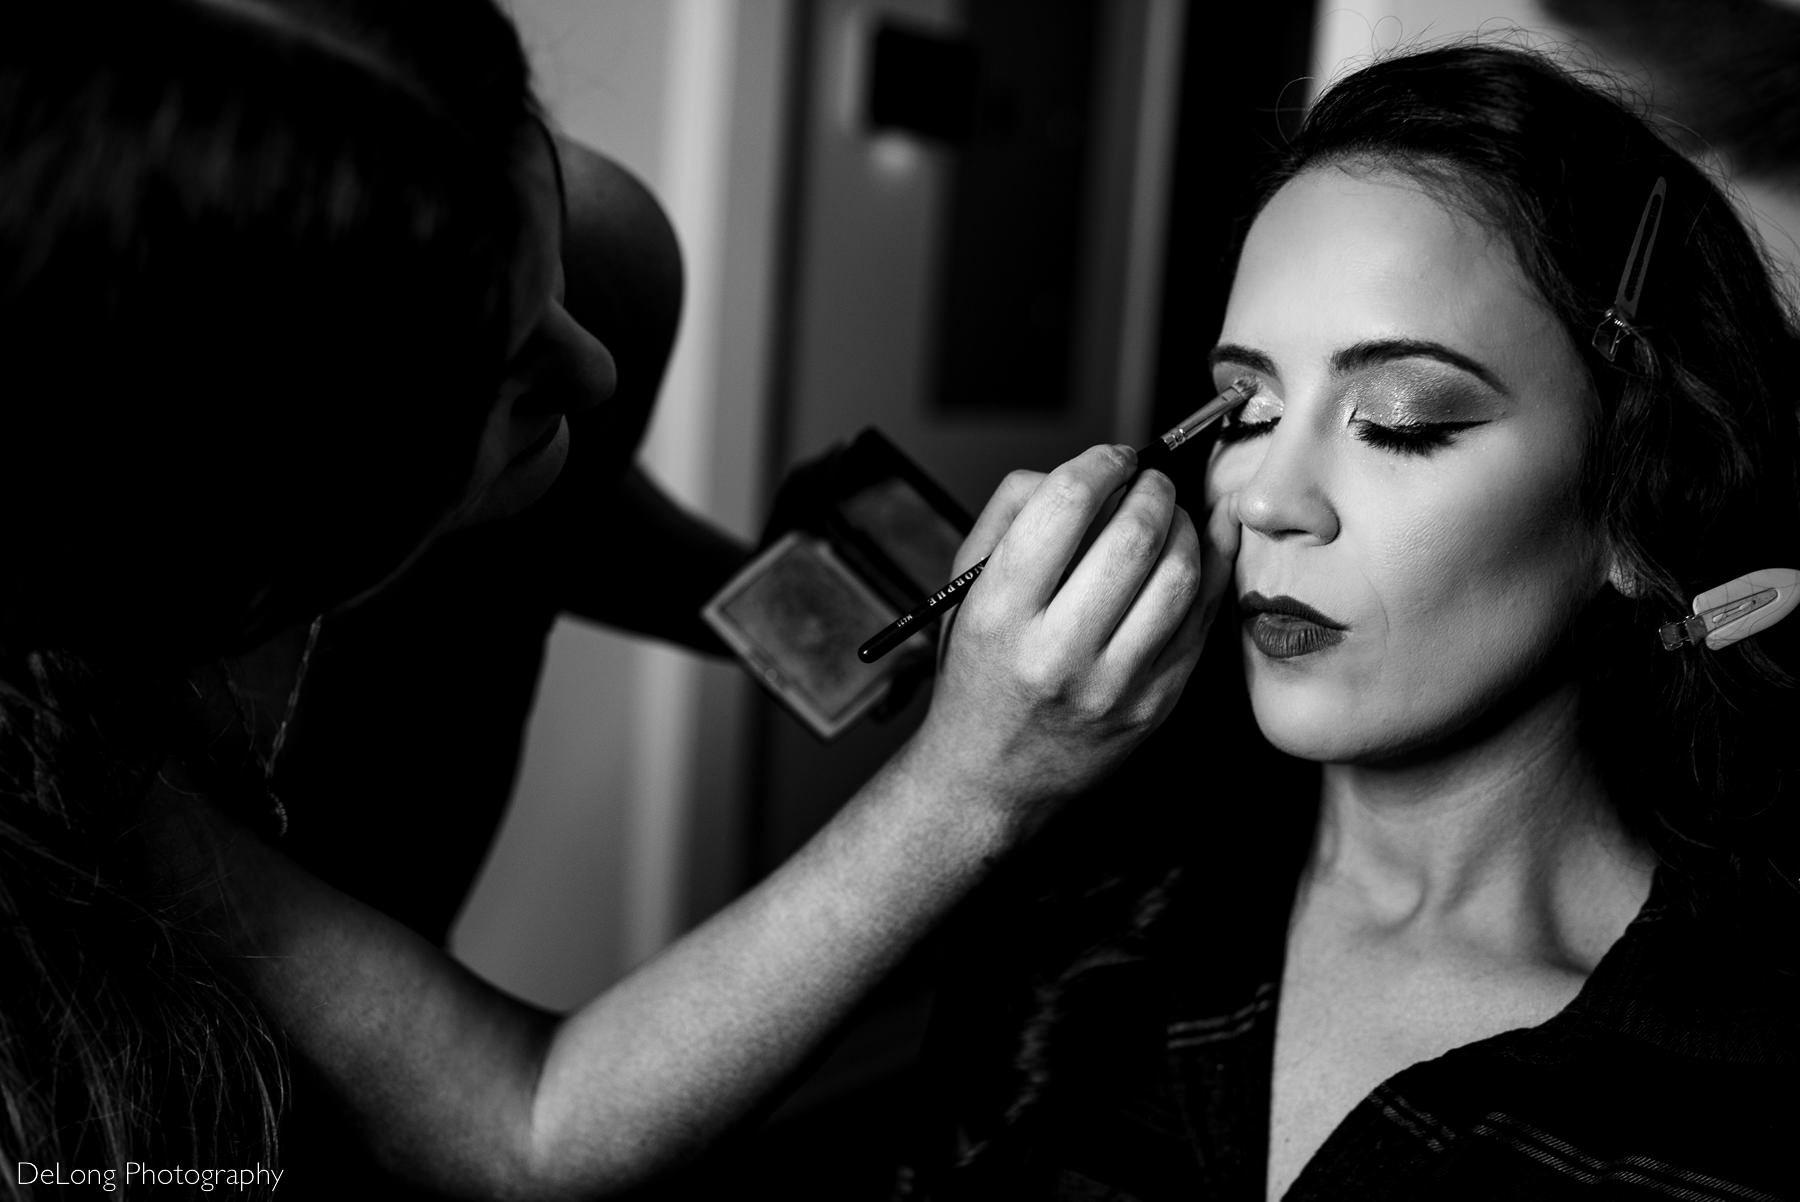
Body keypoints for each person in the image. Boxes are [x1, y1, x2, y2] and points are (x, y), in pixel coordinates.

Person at [0, 1, 1235, 1197]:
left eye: (558, 293)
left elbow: (537, 528)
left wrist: (781, 603)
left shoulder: (589, 245)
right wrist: (981, 774)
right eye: (507, 387)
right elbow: (526, 1125)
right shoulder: (68, 782)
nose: (589, 370)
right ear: (246, 529)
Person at [897, 41, 1800, 1201]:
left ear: (1635, 501)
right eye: (1248, 407)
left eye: (1401, 418)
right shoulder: (1078, 928)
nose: (1267, 495)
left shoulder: (1752, 1097)